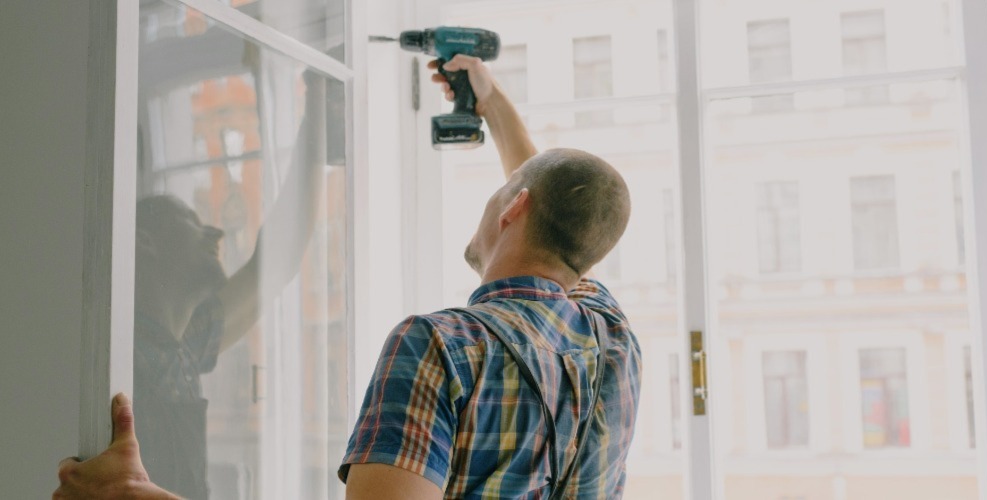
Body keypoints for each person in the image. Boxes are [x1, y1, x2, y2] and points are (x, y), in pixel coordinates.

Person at [54, 54, 641, 499]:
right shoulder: (613, 339)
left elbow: (553, 208)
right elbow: (566, 225)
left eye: (504, 200)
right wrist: (490, 104)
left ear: (512, 210)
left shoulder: (442, 348)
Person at [54, 65, 328, 500]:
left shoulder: (181, 346)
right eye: (193, 222)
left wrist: (317, 118)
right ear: (145, 242)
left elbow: (274, 263)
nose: (216, 233)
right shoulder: (118, 360)